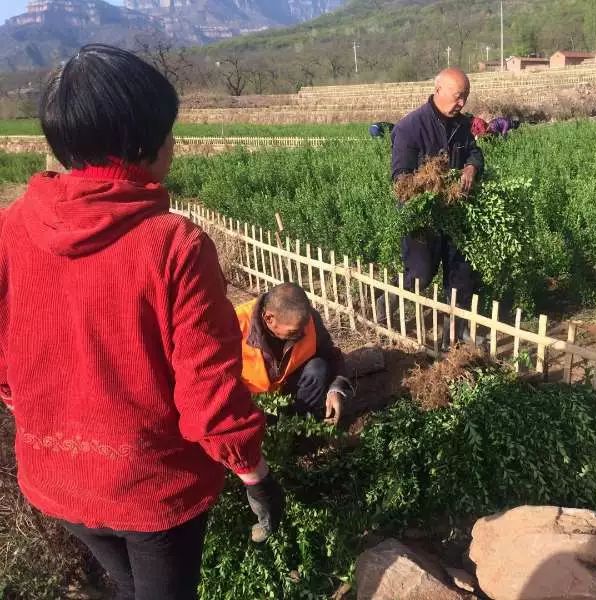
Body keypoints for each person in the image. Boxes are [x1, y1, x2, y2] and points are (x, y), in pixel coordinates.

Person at [0, 45, 284, 600]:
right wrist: (255, 474)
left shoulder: (11, 229)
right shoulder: (173, 246)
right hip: (152, 493)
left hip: (54, 480)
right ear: (145, 144)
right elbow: (210, 398)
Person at [383, 67, 484, 344]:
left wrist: (471, 169)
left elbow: (475, 153)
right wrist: (432, 185)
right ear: (438, 91)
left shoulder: (462, 126)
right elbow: (400, 179)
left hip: (456, 213)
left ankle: (455, 332)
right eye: (458, 97)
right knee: (420, 275)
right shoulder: (410, 127)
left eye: (466, 97)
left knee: (460, 273)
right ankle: (386, 307)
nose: (462, 103)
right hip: (422, 218)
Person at [234, 283, 353, 424]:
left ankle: (301, 426)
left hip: (289, 390)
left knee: (318, 368)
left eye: (303, 328)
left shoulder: (308, 320)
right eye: (292, 332)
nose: (301, 334)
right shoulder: (235, 323)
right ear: (269, 319)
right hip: (251, 403)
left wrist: (336, 389)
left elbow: (330, 354)